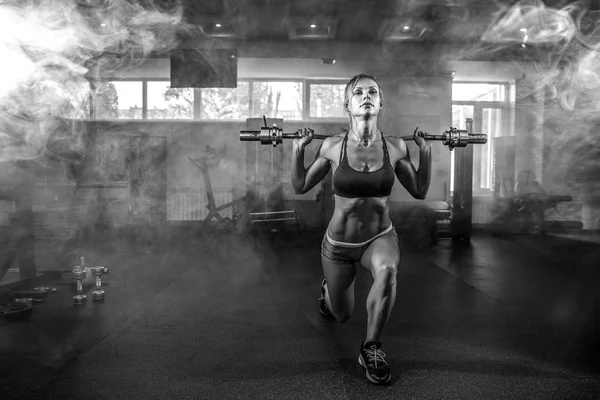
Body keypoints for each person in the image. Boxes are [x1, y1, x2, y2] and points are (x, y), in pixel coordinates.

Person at [291, 73, 431, 385]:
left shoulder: (395, 148)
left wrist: (427, 151)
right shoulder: (331, 146)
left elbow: (420, 190)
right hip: (339, 245)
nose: (366, 96)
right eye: (358, 93)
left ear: (381, 103)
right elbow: (300, 185)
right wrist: (298, 148)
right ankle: (328, 295)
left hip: (379, 236)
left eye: (372, 92)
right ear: (347, 104)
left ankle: (371, 347)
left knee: (388, 270)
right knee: (341, 314)